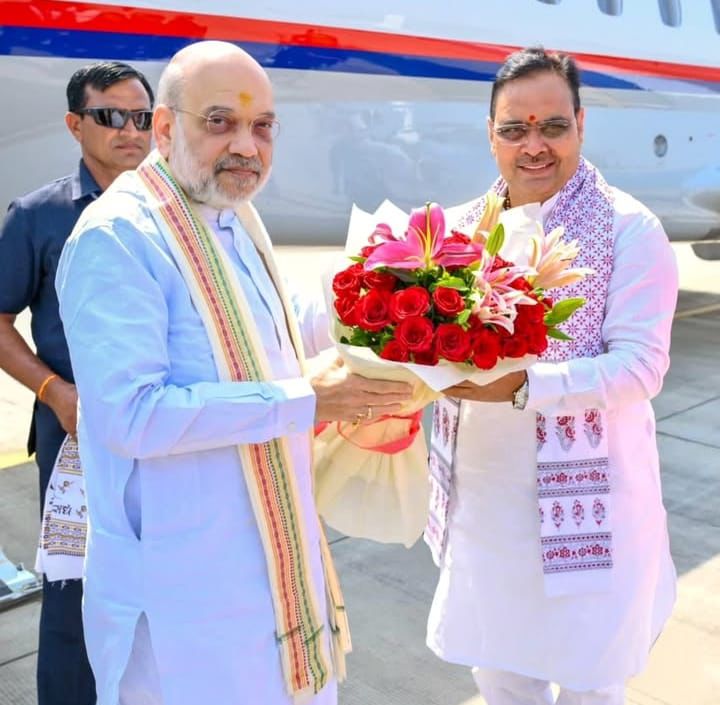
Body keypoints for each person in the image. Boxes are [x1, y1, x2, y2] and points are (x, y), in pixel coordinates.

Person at [55, 41, 412, 705]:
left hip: (275, 569)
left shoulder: (231, 215)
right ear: (166, 128)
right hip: (186, 604)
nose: (246, 146)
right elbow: (131, 415)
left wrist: (390, 300)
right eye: (219, 122)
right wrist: (305, 400)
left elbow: (279, 325)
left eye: (263, 126)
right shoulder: (119, 237)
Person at [425, 47, 678, 705]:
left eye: (553, 126)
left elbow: (640, 366)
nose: (533, 146)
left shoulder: (628, 228)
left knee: (592, 681)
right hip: (486, 509)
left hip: (593, 514)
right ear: (491, 135)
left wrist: (521, 387)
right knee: (501, 678)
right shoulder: (457, 232)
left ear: (581, 125)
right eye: (515, 129)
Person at [0, 60, 154, 705]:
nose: (130, 131)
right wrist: (55, 393)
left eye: (142, 117)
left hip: (165, 430)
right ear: (74, 124)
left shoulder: (178, 213)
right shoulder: (38, 216)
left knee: (164, 589)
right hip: (74, 438)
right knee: (76, 591)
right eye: (110, 116)